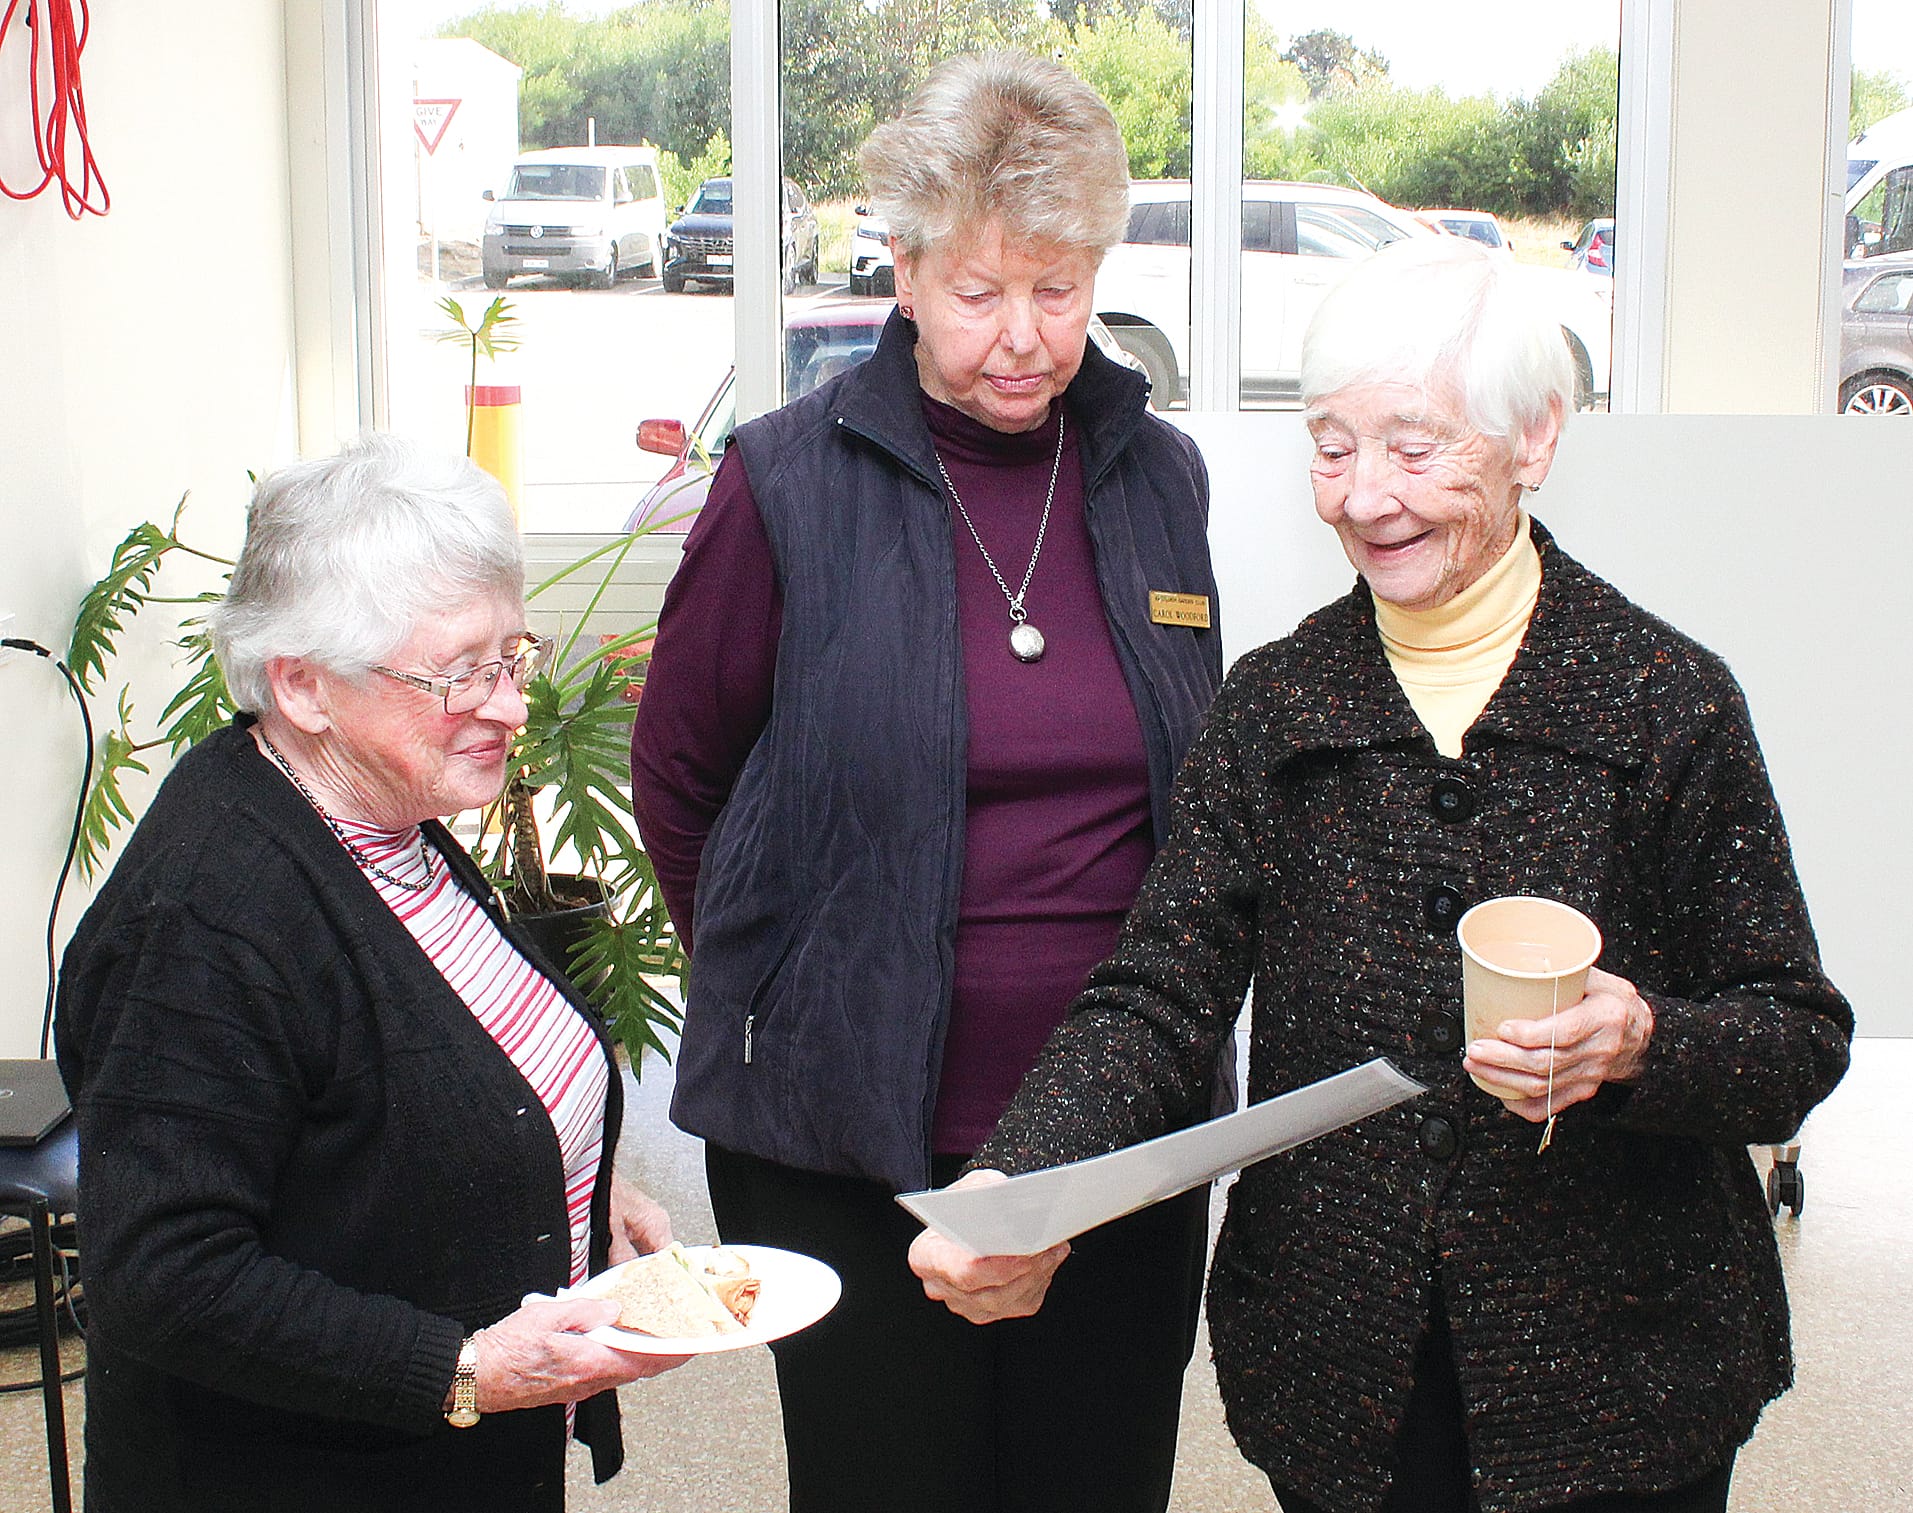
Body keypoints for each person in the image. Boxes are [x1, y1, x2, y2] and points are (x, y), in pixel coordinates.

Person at [911, 236, 1852, 1513]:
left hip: (1623, 1371)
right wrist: (1014, 1179)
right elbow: (1158, 992)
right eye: (1329, 445)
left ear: (1534, 439)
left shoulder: (1659, 699)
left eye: (1412, 448)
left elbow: (1793, 1034)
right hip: (1342, 1359)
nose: (1361, 496)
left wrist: (1640, 1043)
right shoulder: (1275, 706)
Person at [629, 51, 1224, 1513]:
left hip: (1119, 1129)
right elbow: (681, 776)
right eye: (979, 292)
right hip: (847, 1140)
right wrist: (794, 990)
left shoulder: (1162, 479)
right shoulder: (783, 480)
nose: (1023, 337)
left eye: (1060, 290)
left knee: (1096, 1480)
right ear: (900, 271)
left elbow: (1191, 790)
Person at [56, 435, 688, 1513]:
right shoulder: (211, 915)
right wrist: (464, 1370)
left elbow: (416, 1084)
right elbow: (161, 1274)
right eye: (457, 674)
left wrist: (559, 1165)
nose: (507, 705)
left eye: (510, 657)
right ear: (302, 686)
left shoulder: (379, 809)